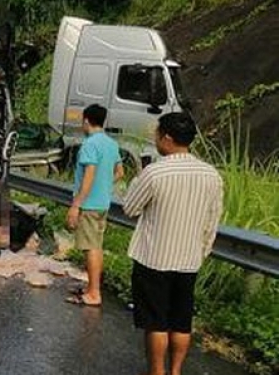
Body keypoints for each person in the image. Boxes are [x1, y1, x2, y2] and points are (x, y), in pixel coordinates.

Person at [123, 113, 223, 375]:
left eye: (157, 133)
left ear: (167, 138)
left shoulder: (155, 172)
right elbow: (212, 220)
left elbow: (130, 208)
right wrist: (201, 252)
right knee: (181, 322)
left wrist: (137, 178)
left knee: (155, 323)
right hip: (189, 260)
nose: (155, 138)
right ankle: (176, 371)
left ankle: (157, 372)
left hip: (154, 258)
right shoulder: (211, 174)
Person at [66, 104, 123, 307]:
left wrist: (76, 205)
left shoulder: (89, 144)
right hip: (103, 204)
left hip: (89, 205)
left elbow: (89, 175)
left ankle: (94, 293)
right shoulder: (111, 144)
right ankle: (92, 288)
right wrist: (105, 185)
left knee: (90, 248)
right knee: (96, 246)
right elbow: (120, 172)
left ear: (86, 120)